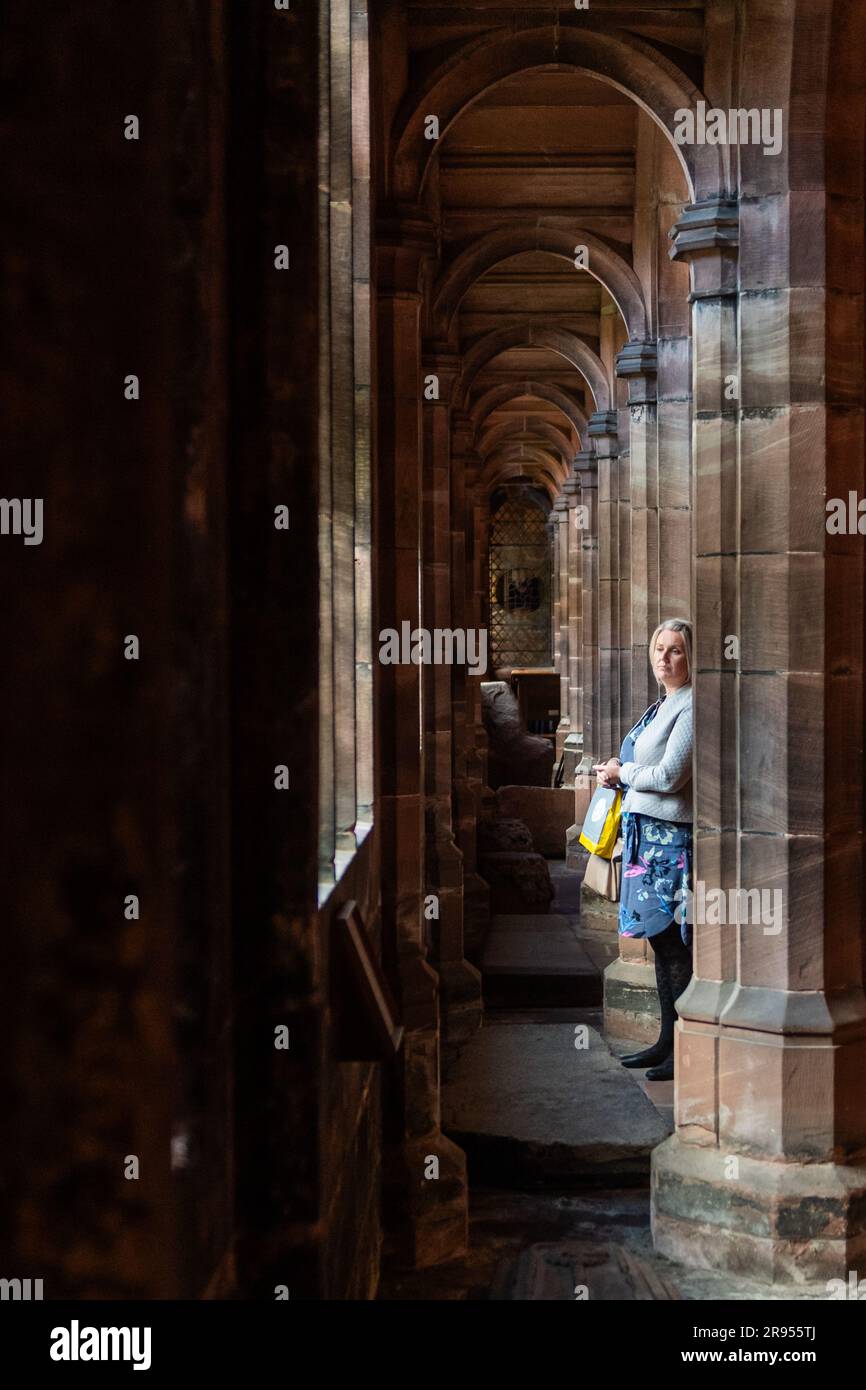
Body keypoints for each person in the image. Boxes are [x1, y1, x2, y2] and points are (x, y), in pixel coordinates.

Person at [592, 619, 693, 1081]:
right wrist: (616, 768)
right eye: (659, 648)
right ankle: (665, 1041)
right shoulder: (661, 704)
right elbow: (643, 763)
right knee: (657, 940)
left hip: (668, 840)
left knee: (673, 943)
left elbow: (671, 776)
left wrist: (623, 774)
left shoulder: (691, 704)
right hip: (644, 836)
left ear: (691, 657)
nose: (664, 658)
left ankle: (684, 1049)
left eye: (675, 650)